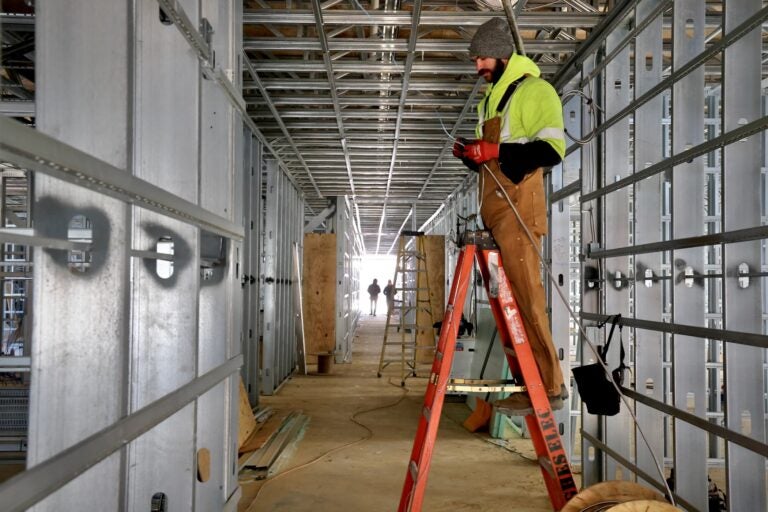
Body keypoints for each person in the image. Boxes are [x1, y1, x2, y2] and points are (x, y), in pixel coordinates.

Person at [451, 17, 566, 415]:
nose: (478, 66)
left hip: (518, 208)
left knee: (528, 298)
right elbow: (493, 157)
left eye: (482, 58)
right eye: (475, 59)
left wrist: (494, 151)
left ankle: (549, 388)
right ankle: (530, 383)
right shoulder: (490, 99)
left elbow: (551, 151)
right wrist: (472, 154)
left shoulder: (535, 91)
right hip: (496, 207)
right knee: (511, 300)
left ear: (502, 55)